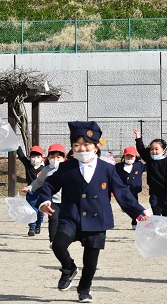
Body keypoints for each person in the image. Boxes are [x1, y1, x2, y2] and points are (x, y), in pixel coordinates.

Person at [38, 121, 151, 303]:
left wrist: (138, 212)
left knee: (90, 260)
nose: (81, 149)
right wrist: (44, 200)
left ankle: (84, 289)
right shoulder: (67, 167)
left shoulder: (107, 168)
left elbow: (122, 193)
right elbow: (50, 184)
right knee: (58, 245)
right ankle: (68, 268)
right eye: (76, 145)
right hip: (71, 217)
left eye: (86, 145)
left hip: (97, 220)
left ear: (96, 146)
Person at [21, 143, 67, 244]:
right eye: (53, 157)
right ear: (48, 157)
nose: (55, 160)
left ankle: (63, 239)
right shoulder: (46, 170)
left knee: (64, 222)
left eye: (58, 157)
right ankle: (53, 241)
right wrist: (29, 188)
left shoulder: (68, 168)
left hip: (66, 200)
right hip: (52, 201)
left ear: (64, 157)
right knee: (53, 220)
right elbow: (38, 181)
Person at [134, 128, 167, 217]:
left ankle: (165, 228)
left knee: (165, 213)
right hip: (154, 192)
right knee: (156, 211)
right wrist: (138, 137)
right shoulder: (150, 160)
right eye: (152, 149)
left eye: (156, 149)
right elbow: (141, 149)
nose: (154, 151)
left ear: (164, 150)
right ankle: (157, 230)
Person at [114, 146, 146, 229]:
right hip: (122, 190)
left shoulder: (139, 165)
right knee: (125, 205)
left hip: (134, 189)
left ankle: (135, 221)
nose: (129, 158)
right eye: (127, 156)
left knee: (135, 205)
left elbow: (151, 166)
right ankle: (126, 208)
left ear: (135, 157)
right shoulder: (118, 166)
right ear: (124, 156)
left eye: (132, 156)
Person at [17, 144, 45, 236]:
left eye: (38, 156)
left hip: (42, 192)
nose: (35, 159)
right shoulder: (28, 166)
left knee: (40, 212)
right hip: (31, 192)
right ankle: (32, 227)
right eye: (33, 156)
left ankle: (38, 224)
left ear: (42, 157)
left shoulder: (45, 168)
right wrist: (18, 146)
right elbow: (21, 156)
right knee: (31, 210)